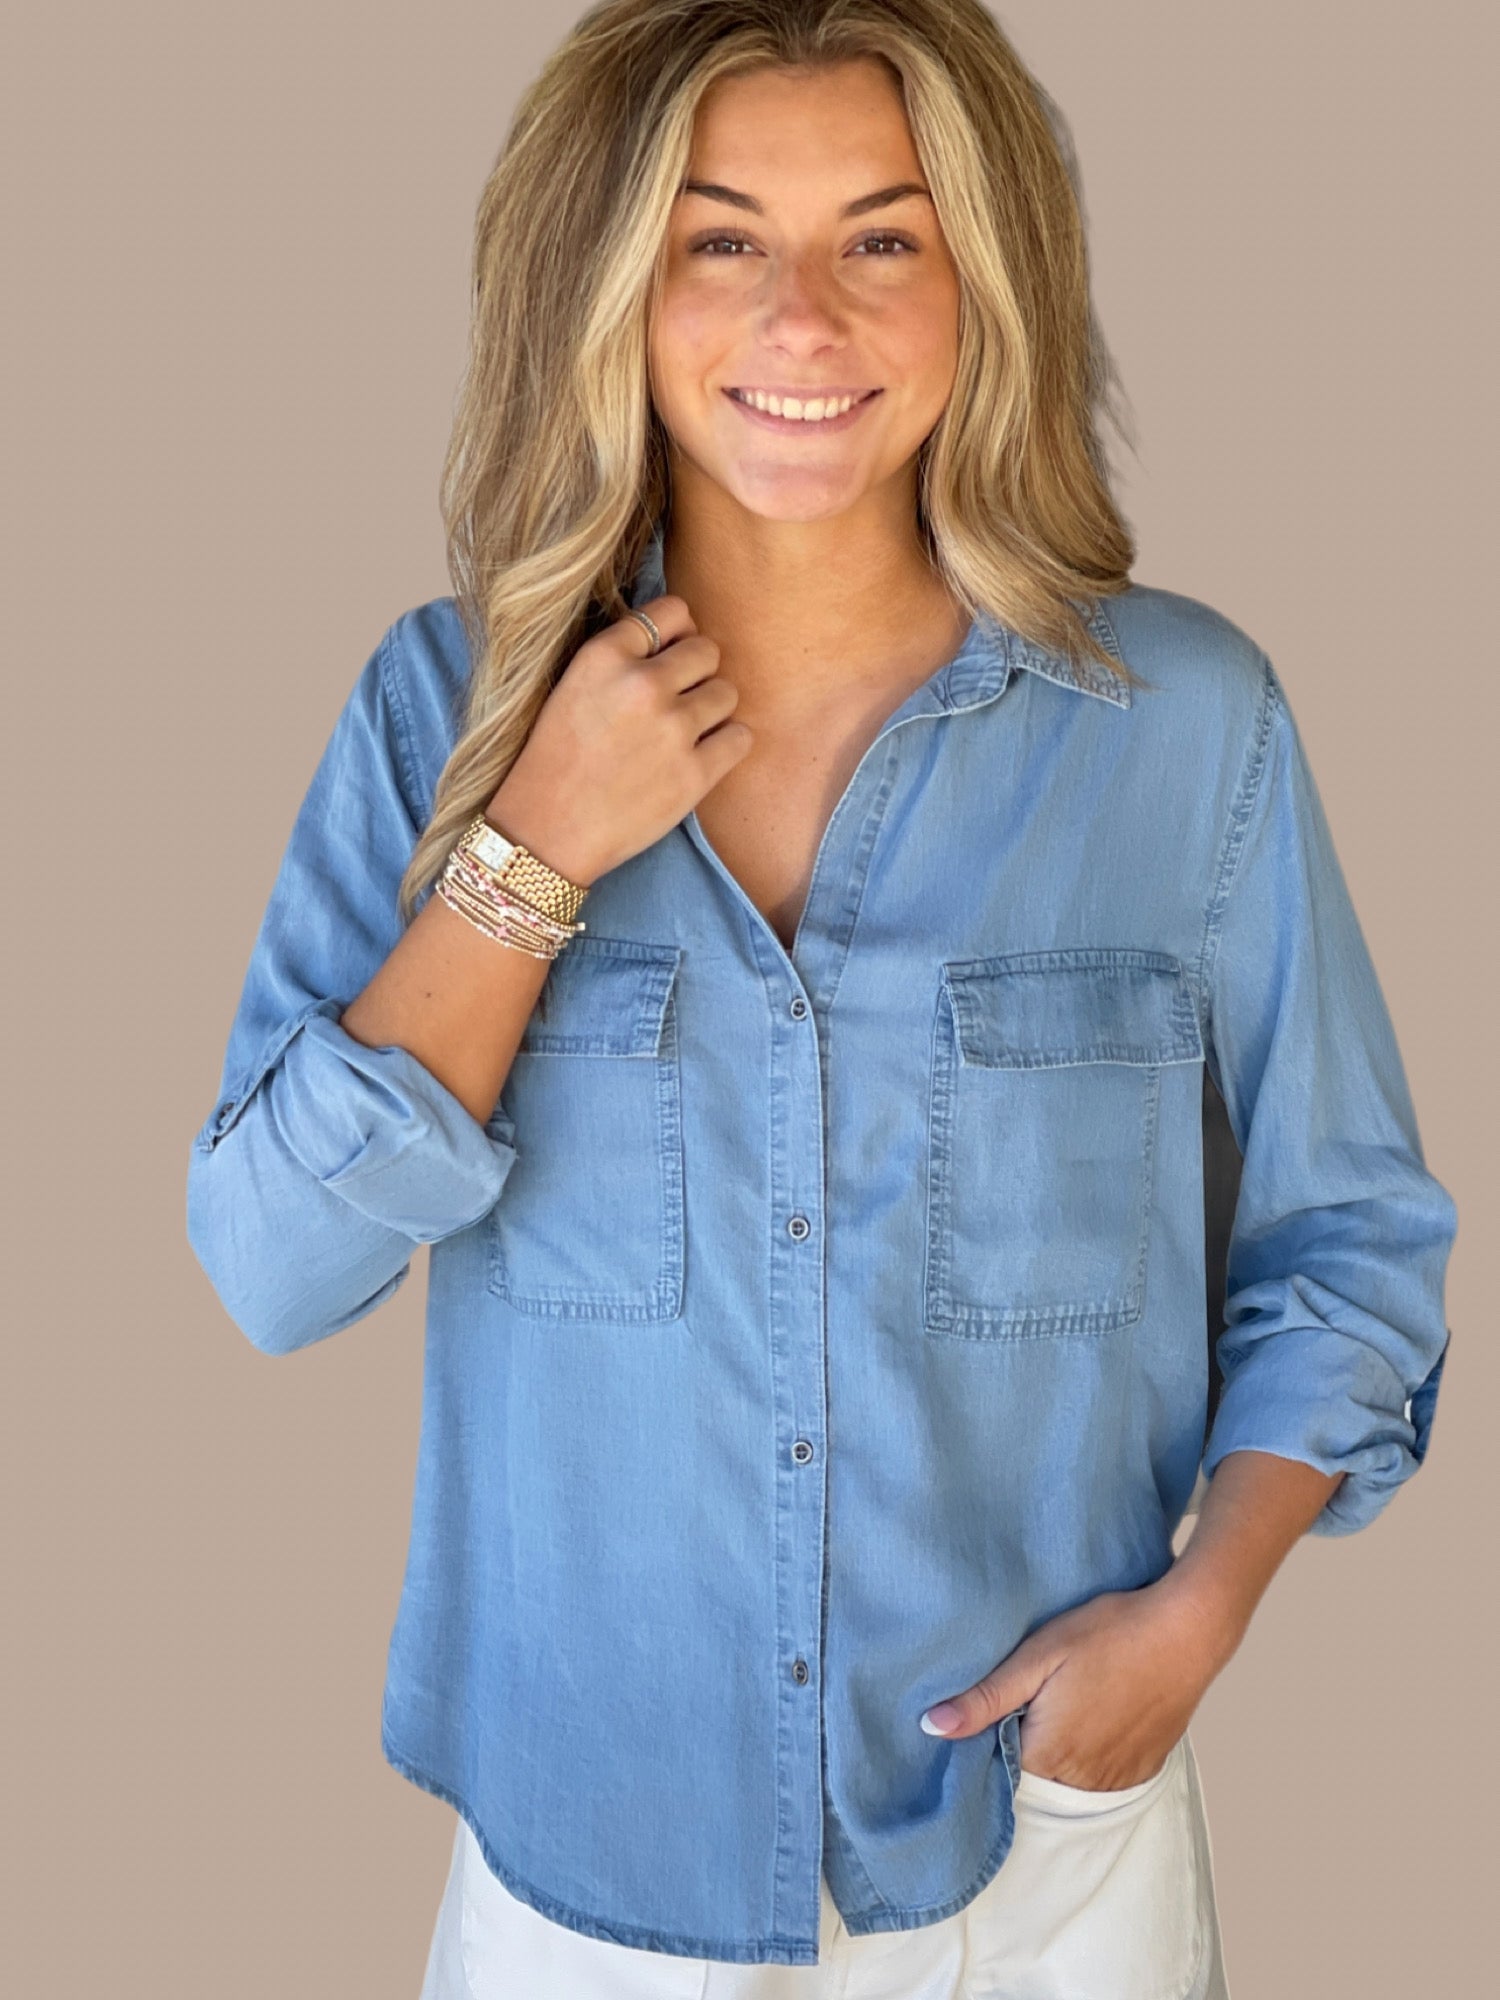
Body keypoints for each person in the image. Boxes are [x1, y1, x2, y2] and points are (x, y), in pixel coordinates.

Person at [185, 3, 1458, 1995]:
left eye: (882, 236)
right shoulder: (444, 711)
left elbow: (1352, 1245)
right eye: (722, 239)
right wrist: (532, 852)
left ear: (984, 281)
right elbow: (272, 1268)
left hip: (1042, 1866)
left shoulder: (1185, 725)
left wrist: (1203, 1612)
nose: (805, 317)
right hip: (583, 1873)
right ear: (615, 282)